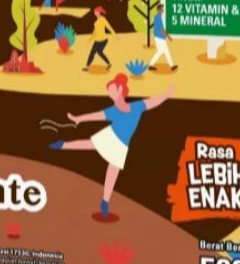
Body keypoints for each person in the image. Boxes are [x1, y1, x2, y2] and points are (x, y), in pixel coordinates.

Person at [49, 73, 174, 218]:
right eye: (109, 92)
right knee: (88, 144)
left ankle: (105, 201)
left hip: (122, 145)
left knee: (112, 173)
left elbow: (153, 101)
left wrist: (166, 95)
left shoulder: (137, 107)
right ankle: (62, 145)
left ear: (120, 90)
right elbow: (95, 116)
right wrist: (79, 119)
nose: (109, 94)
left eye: (112, 90)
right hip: (110, 136)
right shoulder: (113, 111)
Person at [84, 6, 115, 71]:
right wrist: (89, 40)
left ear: (98, 12)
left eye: (95, 12)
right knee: (93, 53)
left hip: (103, 40)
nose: (94, 13)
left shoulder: (102, 19)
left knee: (98, 52)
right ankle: (87, 67)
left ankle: (108, 63)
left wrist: (115, 35)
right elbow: (94, 33)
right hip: (97, 40)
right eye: (94, 12)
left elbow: (109, 27)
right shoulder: (96, 22)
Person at [149, 3, 177, 71]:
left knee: (161, 51)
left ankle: (151, 65)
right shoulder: (158, 18)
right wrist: (169, 37)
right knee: (165, 51)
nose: (163, 10)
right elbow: (162, 29)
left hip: (159, 37)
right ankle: (171, 65)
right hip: (160, 37)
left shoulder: (157, 17)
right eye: (162, 9)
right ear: (159, 10)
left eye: (163, 9)